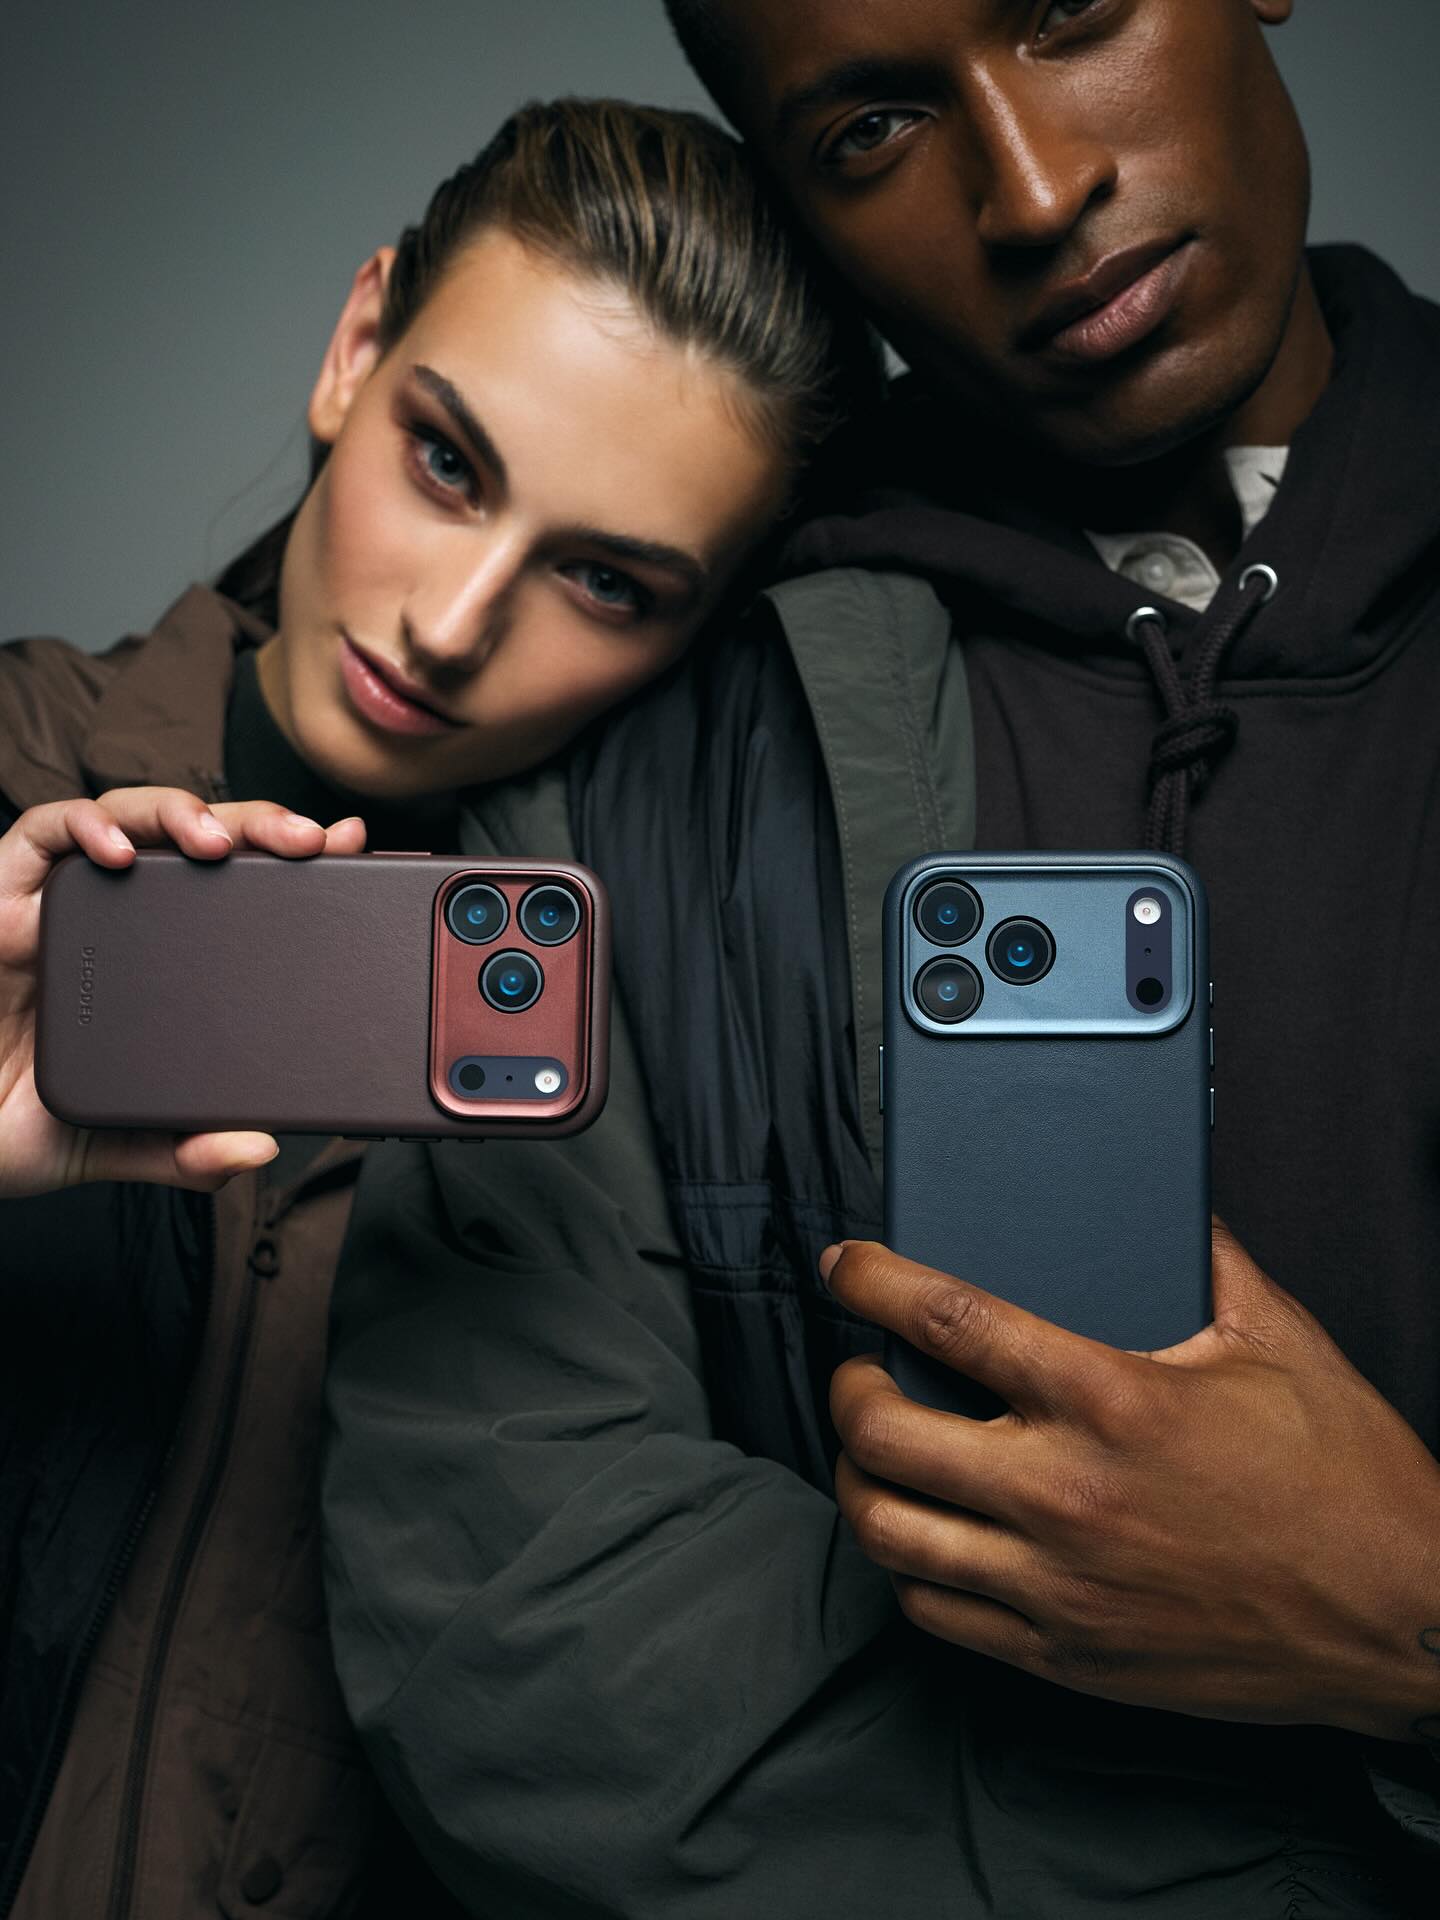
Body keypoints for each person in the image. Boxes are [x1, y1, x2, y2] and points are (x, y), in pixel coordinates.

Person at [322, 4, 1440, 1915]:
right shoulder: (624, 765)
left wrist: (1407, 1619)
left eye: (1069, 9)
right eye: (869, 131)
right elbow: (516, 1626)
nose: (1035, 190)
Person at [0, 96, 874, 1920]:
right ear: (356, 348)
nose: (457, 622)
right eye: (451, 463)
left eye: (607, 580)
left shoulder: (682, 1071)